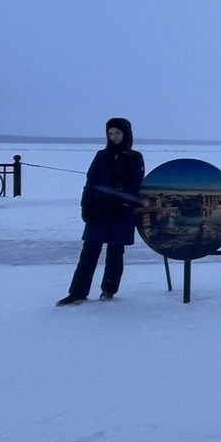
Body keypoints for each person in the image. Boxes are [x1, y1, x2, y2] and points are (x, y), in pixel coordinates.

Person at [57, 117, 145, 306]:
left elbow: (135, 185)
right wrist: (86, 206)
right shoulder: (101, 156)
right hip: (99, 210)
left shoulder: (135, 158)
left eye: (118, 133)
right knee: (89, 251)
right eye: (111, 133)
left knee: (115, 252)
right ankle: (77, 292)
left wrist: (124, 206)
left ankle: (109, 289)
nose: (114, 137)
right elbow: (91, 182)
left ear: (126, 134)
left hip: (122, 213)